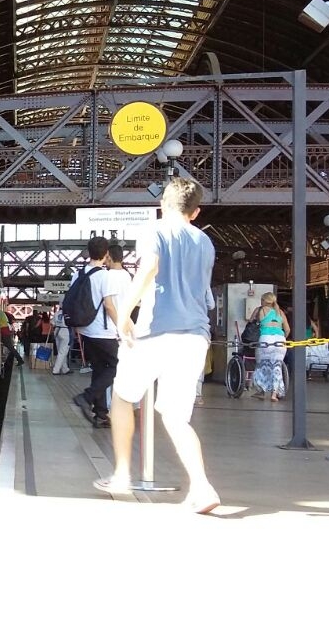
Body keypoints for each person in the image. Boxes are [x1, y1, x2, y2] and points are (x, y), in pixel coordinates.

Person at [93, 177, 220, 515]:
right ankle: (202, 486)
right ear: (196, 212)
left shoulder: (154, 231)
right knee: (177, 418)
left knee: (122, 397)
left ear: (162, 204)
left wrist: (124, 315)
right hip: (195, 335)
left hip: (155, 330)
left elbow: (150, 268)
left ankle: (122, 475)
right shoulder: (206, 242)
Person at [71, 236, 118, 428]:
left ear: (89, 252)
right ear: (106, 254)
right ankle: (86, 397)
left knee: (99, 369)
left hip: (85, 330)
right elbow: (109, 306)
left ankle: (100, 415)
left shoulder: (78, 274)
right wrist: (122, 326)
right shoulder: (105, 276)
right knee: (117, 366)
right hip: (103, 332)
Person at [249, 292, 290, 402]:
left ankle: (261, 391)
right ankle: (274, 394)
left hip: (266, 339)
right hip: (280, 341)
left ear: (264, 300)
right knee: (276, 367)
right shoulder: (280, 312)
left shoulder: (260, 310)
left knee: (261, 365)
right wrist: (282, 337)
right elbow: (287, 330)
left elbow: (251, 322)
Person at [51, 304, 71, 374]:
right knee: (62, 352)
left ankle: (65, 368)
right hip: (65, 331)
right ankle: (56, 370)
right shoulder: (68, 313)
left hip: (57, 331)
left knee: (61, 351)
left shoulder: (56, 313)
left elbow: (52, 323)